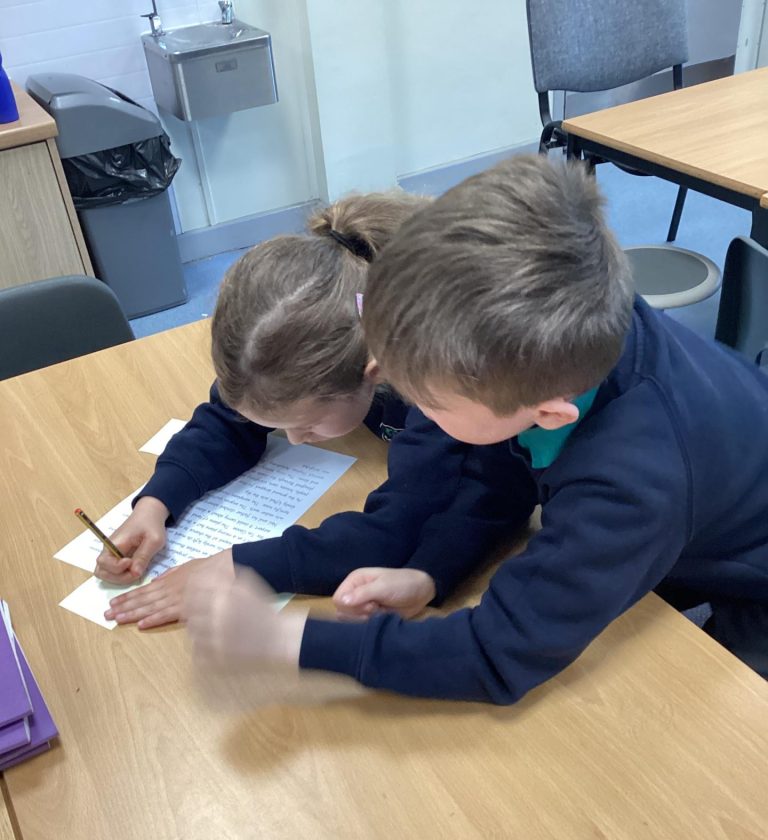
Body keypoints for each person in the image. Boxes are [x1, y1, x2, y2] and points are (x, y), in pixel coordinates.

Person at [184, 153, 768, 701]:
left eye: (427, 404)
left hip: (750, 569)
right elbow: (502, 470)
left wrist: (292, 642)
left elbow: (499, 653)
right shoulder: (557, 352)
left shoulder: (629, 483)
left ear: (549, 413)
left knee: (714, 712)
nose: (415, 416)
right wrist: (430, 571)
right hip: (703, 505)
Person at [96, 192, 527, 628]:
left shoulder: (444, 382)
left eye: (307, 425)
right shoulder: (335, 306)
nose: (296, 440)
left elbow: (397, 531)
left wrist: (239, 568)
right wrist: (155, 504)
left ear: (373, 371)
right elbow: (229, 420)